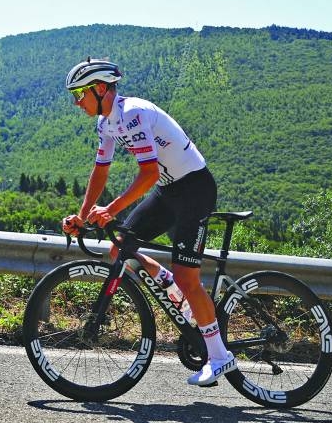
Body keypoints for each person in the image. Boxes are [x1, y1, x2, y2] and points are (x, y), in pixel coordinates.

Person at [60, 57, 237, 386]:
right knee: (119, 249)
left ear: (101, 89)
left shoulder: (133, 114)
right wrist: (82, 217)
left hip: (195, 189)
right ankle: (174, 289)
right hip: (167, 192)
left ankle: (218, 356)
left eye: (80, 94)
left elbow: (149, 173)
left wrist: (111, 209)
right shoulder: (106, 123)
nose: (76, 102)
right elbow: (100, 171)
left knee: (188, 276)